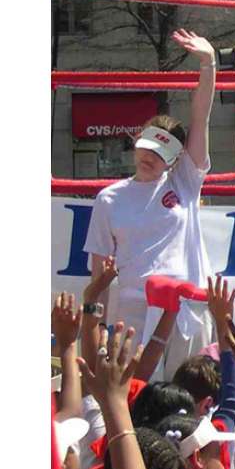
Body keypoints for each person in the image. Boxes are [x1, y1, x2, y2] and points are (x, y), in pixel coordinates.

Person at [85, 29, 218, 373]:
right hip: (132, 311)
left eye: (160, 154)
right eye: (147, 148)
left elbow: (200, 116)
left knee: (188, 398)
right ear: (136, 144)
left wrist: (209, 62)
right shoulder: (109, 198)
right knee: (133, 402)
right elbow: (99, 272)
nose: (150, 158)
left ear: (174, 159)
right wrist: (96, 326)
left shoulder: (184, 180)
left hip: (186, 309)